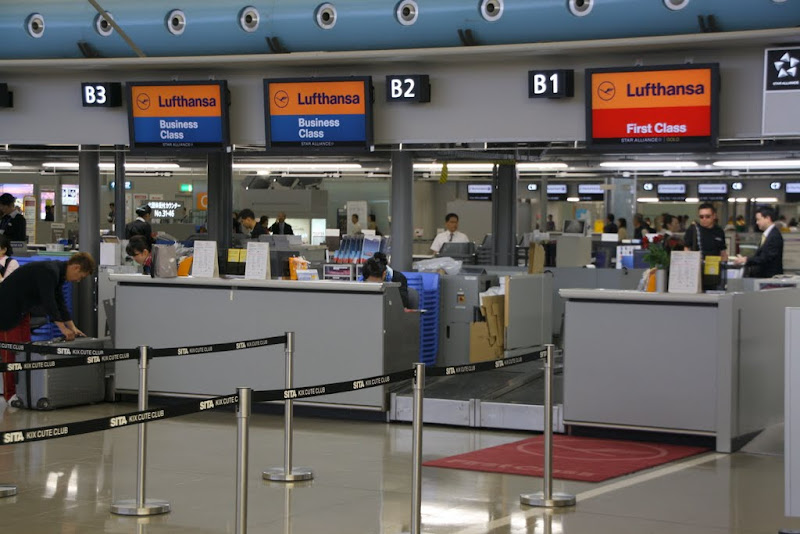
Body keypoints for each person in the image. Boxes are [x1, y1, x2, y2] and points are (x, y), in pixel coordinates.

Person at [0, 252, 95, 340]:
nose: (78, 280)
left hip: (21, 309)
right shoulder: (50, 271)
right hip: (6, 307)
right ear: (76, 268)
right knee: (11, 346)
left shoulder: (59, 272)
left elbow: (60, 302)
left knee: (23, 345)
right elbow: (49, 302)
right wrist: (63, 329)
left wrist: (72, 328)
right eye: (81, 277)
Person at [733, 206, 783, 278]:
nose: (757, 222)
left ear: (768, 218)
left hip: (769, 278)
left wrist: (746, 259)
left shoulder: (774, 236)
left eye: (758, 219)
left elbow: (765, 258)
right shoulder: (768, 235)